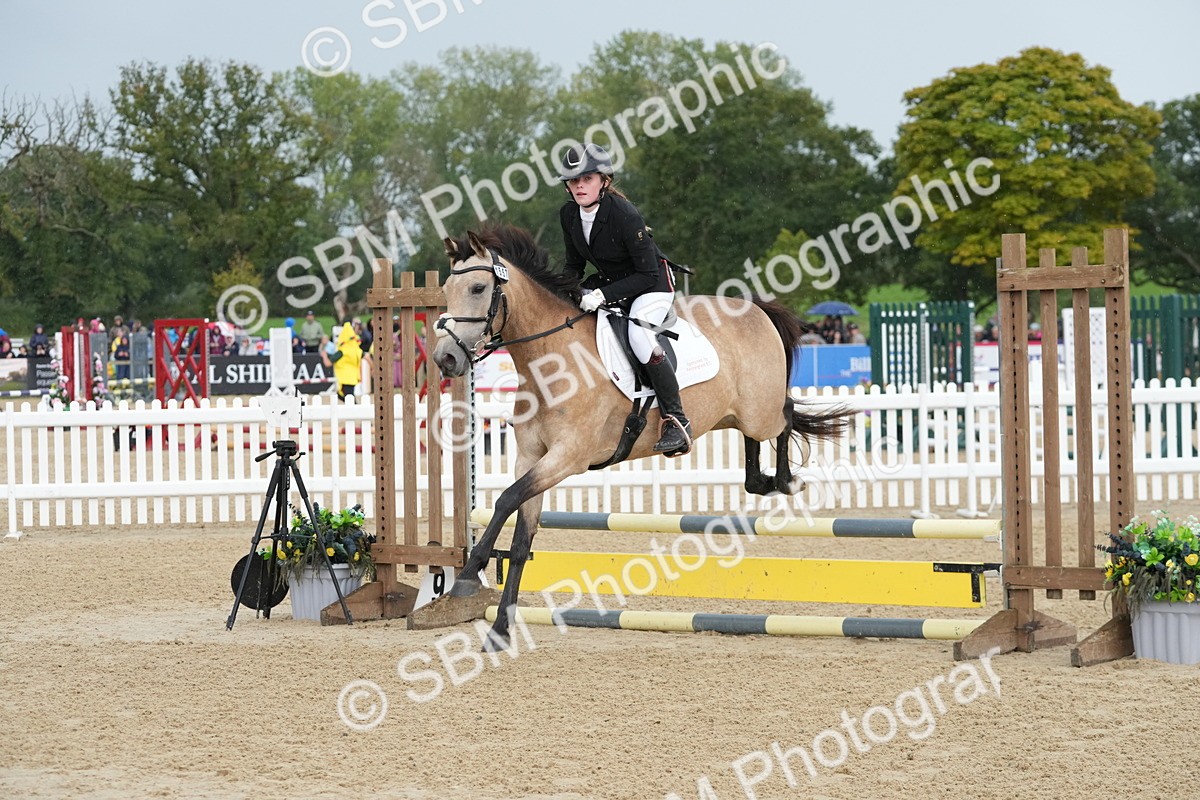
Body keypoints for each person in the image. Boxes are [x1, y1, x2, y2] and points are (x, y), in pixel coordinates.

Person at [558, 142, 691, 455]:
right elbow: (574, 265)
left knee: (640, 336)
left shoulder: (624, 215)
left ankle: (677, 420)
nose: (579, 185)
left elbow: (646, 274)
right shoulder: (569, 214)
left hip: (653, 287)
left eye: (587, 178)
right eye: (574, 180)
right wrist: (560, 292)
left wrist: (602, 294)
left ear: (604, 181)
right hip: (611, 284)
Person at [332, 323, 363, 400]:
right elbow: (366, 356)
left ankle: (355, 410)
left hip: (344, 377)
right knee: (349, 397)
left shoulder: (342, 351)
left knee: (347, 397)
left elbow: (329, 362)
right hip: (353, 377)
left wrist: (324, 355)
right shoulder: (357, 350)